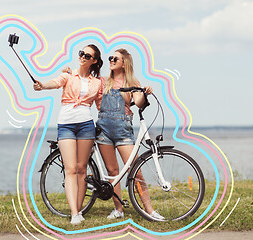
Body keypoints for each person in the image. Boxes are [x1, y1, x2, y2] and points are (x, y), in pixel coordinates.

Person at [33, 44, 103, 225]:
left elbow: (101, 105)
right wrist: (41, 85)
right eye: (81, 53)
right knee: (70, 169)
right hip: (66, 126)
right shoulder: (68, 75)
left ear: (94, 60)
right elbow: (54, 83)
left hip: (86, 125)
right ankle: (74, 214)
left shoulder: (97, 82)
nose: (83, 57)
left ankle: (78, 211)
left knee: (82, 169)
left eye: (87, 55)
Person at [95, 48, 165, 220]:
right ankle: (118, 209)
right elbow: (83, 83)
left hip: (122, 130)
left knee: (136, 171)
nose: (111, 60)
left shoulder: (131, 81)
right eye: (110, 58)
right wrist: (68, 73)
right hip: (103, 129)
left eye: (115, 58)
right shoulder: (103, 81)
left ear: (124, 63)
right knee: (113, 172)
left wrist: (144, 92)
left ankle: (150, 210)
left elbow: (139, 104)